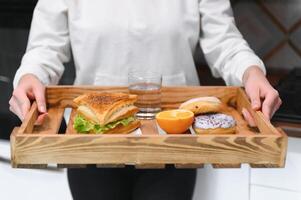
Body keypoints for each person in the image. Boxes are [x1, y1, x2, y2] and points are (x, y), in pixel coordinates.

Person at [9, 0, 282, 199]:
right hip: (91, 144)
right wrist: (30, 75)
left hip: (174, 144)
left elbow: (225, 41)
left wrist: (251, 72)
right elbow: (45, 47)